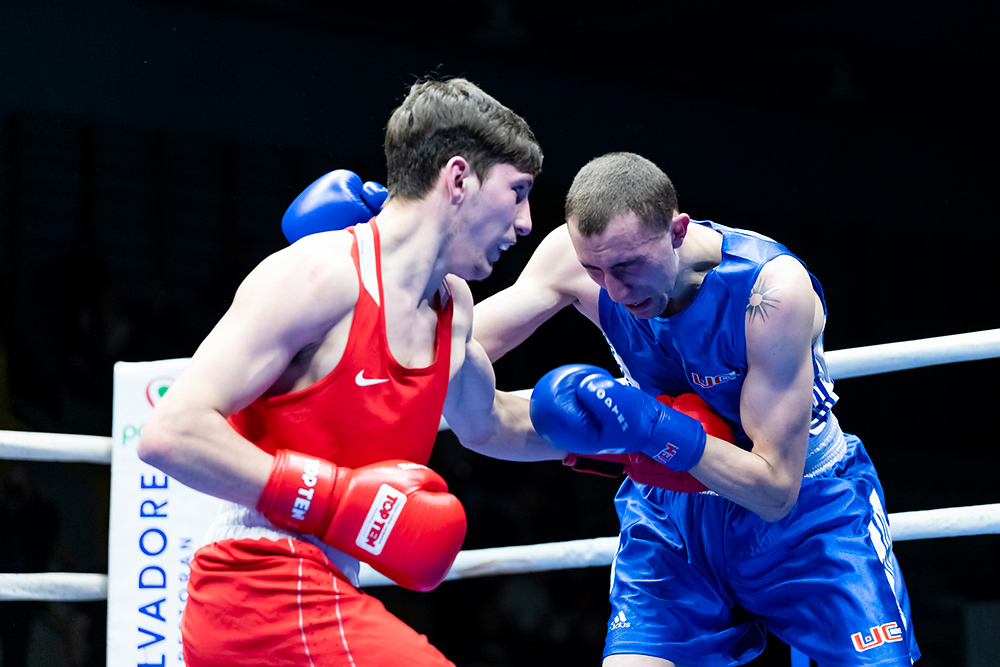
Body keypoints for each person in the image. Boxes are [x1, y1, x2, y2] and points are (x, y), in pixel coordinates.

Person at [137, 76, 563, 666]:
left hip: (328, 590)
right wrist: (335, 502)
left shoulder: (453, 307)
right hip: (255, 585)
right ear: (459, 178)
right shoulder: (320, 275)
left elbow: (488, 423)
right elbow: (170, 433)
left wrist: (641, 442)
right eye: (516, 192)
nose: (524, 223)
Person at [471, 151, 921, 666]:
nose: (613, 290)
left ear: (678, 231)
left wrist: (655, 427)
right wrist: (397, 275)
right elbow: (452, 357)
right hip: (673, 518)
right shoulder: (573, 260)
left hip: (806, 515)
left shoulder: (770, 291)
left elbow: (776, 492)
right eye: (595, 269)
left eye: (627, 266)